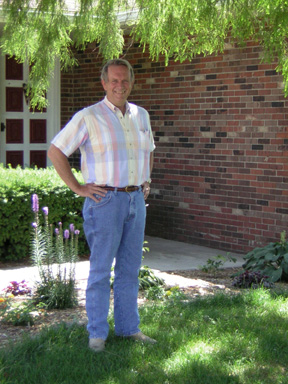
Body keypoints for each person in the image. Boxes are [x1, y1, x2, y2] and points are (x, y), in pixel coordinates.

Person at [48, 59, 156, 352]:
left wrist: (146, 181)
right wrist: (78, 187)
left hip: (136, 200)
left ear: (131, 82)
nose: (120, 86)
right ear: (104, 84)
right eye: (114, 81)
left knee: (129, 269)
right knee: (100, 270)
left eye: (125, 80)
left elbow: (149, 152)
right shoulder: (89, 117)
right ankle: (97, 334)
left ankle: (128, 328)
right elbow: (56, 150)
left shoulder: (141, 115)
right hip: (104, 201)